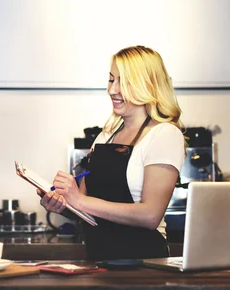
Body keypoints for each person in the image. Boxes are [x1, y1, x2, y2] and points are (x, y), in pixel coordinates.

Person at [38, 45, 186, 261]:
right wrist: (64, 205)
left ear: (147, 85)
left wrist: (79, 201)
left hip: (144, 265)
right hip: (100, 261)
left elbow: (150, 215)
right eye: (111, 80)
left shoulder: (164, 134)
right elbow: (87, 206)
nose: (112, 90)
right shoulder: (106, 135)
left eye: (123, 82)